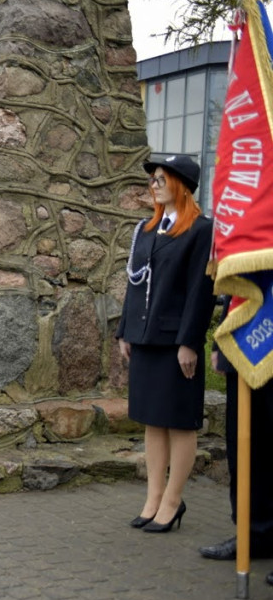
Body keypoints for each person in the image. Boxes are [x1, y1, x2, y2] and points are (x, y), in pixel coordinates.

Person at [117, 154, 215, 533]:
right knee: (152, 422)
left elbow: (200, 290)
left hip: (176, 342)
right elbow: (133, 282)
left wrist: (189, 341)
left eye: (161, 178)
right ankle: (153, 498)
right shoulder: (145, 229)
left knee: (179, 423)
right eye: (152, 178)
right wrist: (125, 330)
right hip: (145, 338)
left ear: (182, 185)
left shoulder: (201, 229)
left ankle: (173, 502)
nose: (154, 184)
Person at [199, 299, 273, 571]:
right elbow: (235, 285)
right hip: (244, 345)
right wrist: (220, 343)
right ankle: (255, 534)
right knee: (245, 450)